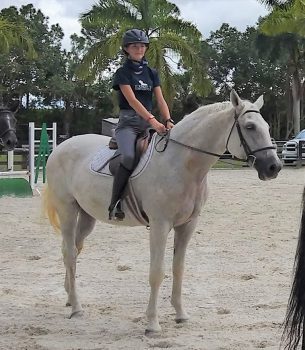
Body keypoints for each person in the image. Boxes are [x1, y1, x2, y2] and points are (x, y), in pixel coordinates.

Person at [109, 28, 175, 221]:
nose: (139, 48)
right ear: (126, 49)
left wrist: (168, 120)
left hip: (149, 124)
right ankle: (115, 203)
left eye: (142, 45)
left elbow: (160, 100)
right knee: (129, 157)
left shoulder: (151, 73)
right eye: (134, 46)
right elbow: (132, 101)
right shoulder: (122, 73)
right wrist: (152, 120)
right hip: (128, 124)